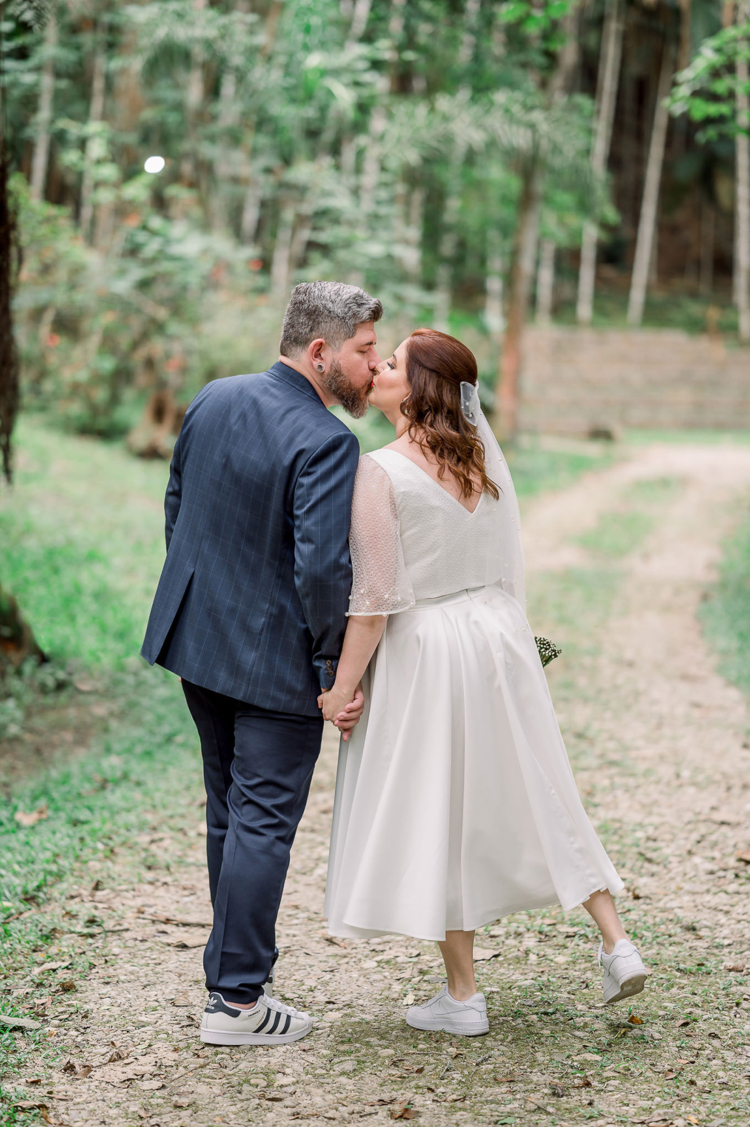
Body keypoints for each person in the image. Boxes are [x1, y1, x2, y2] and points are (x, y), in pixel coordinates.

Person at [320, 329, 650, 1037]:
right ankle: (616, 940)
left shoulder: (379, 470)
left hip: (429, 647)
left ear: (417, 389)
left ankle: (464, 995)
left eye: (393, 363)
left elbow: (374, 600)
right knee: (543, 783)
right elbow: (503, 566)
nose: (377, 367)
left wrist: (341, 688)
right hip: (497, 636)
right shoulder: (480, 461)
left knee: (443, 807)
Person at [141, 281, 382, 1046]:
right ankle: (239, 1001)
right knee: (264, 824)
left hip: (197, 643)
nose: (374, 369)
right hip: (275, 663)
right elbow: (321, 571)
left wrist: (202, 599)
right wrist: (329, 668)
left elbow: (177, 505)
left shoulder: (215, 396)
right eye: (366, 351)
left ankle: (231, 981)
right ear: (322, 352)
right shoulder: (327, 439)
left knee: (231, 815)